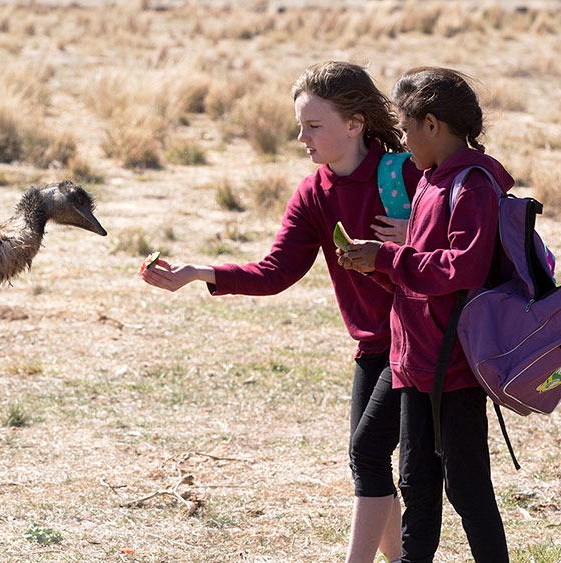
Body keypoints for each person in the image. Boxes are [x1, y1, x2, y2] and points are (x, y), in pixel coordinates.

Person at [140, 61, 421, 563]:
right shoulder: (314, 194)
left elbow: (460, 245)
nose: (300, 137)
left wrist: (416, 237)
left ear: (355, 124)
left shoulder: (407, 175)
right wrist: (197, 273)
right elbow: (276, 271)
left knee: (370, 455)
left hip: (420, 340)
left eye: (314, 126)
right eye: (300, 125)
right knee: (369, 462)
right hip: (374, 346)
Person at [338, 67, 510, 562]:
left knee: (468, 489)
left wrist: (389, 258)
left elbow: (463, 268)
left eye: (407, 125)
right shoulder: (433, 181)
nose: (404, 138)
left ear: (432, 124)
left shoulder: (472, 185)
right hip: (412, 363)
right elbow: (423, 275)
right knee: (416, 486)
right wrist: (375, 266)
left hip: (452, 367)